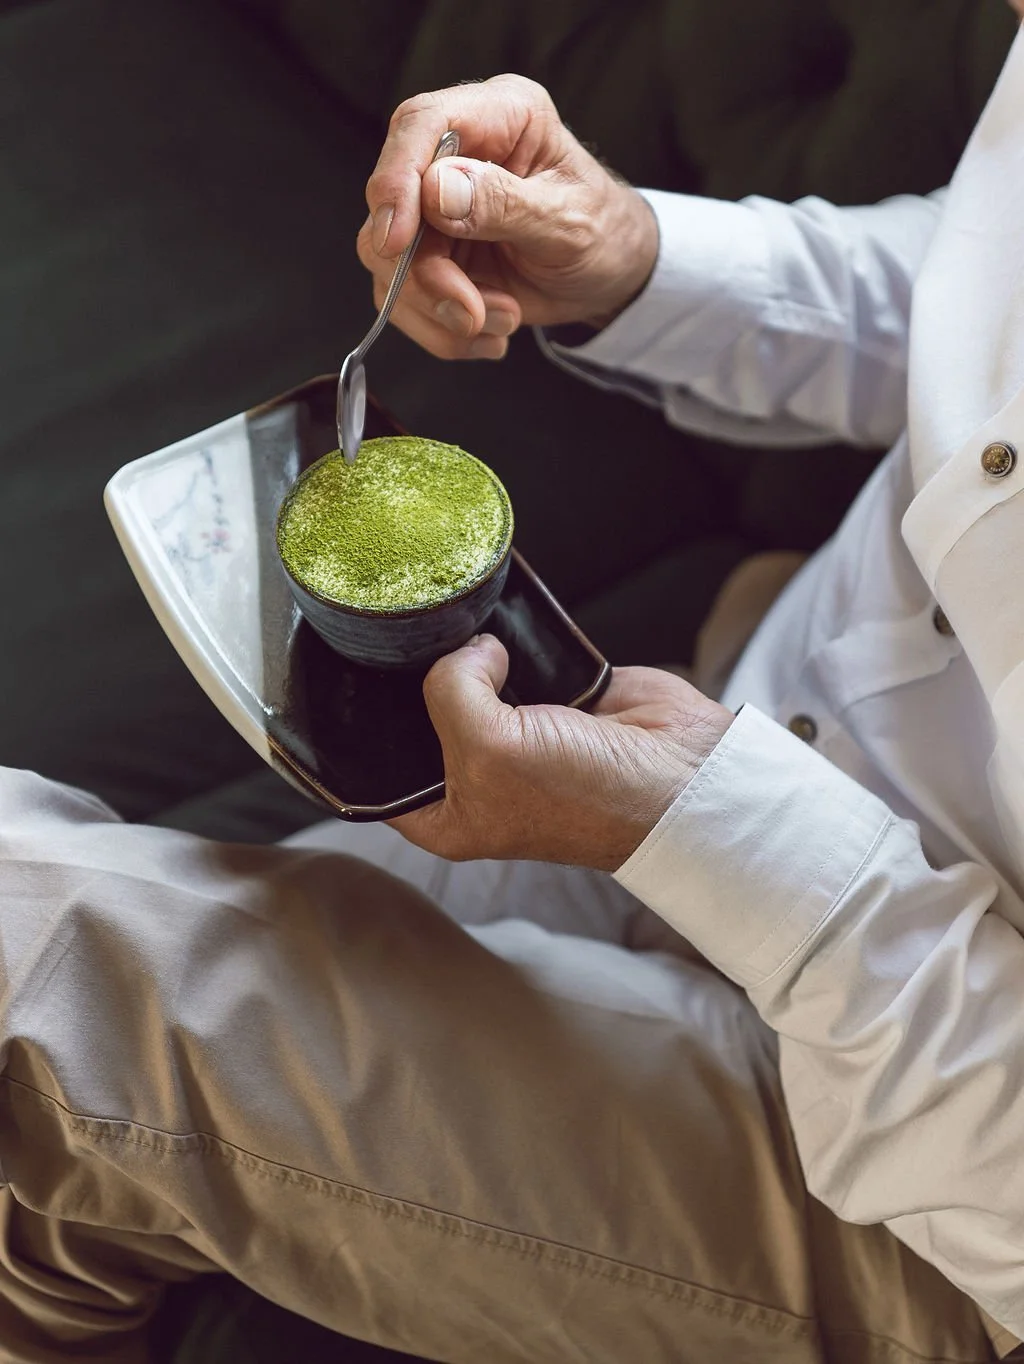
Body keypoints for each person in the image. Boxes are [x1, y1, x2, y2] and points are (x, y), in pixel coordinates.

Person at [3, 12, 1024, 1364]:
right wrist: (638, 260)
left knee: (26, 949)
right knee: (62, 1117)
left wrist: (736, 843)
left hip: (929, 1179)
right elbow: (977, 293)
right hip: (754, 727)